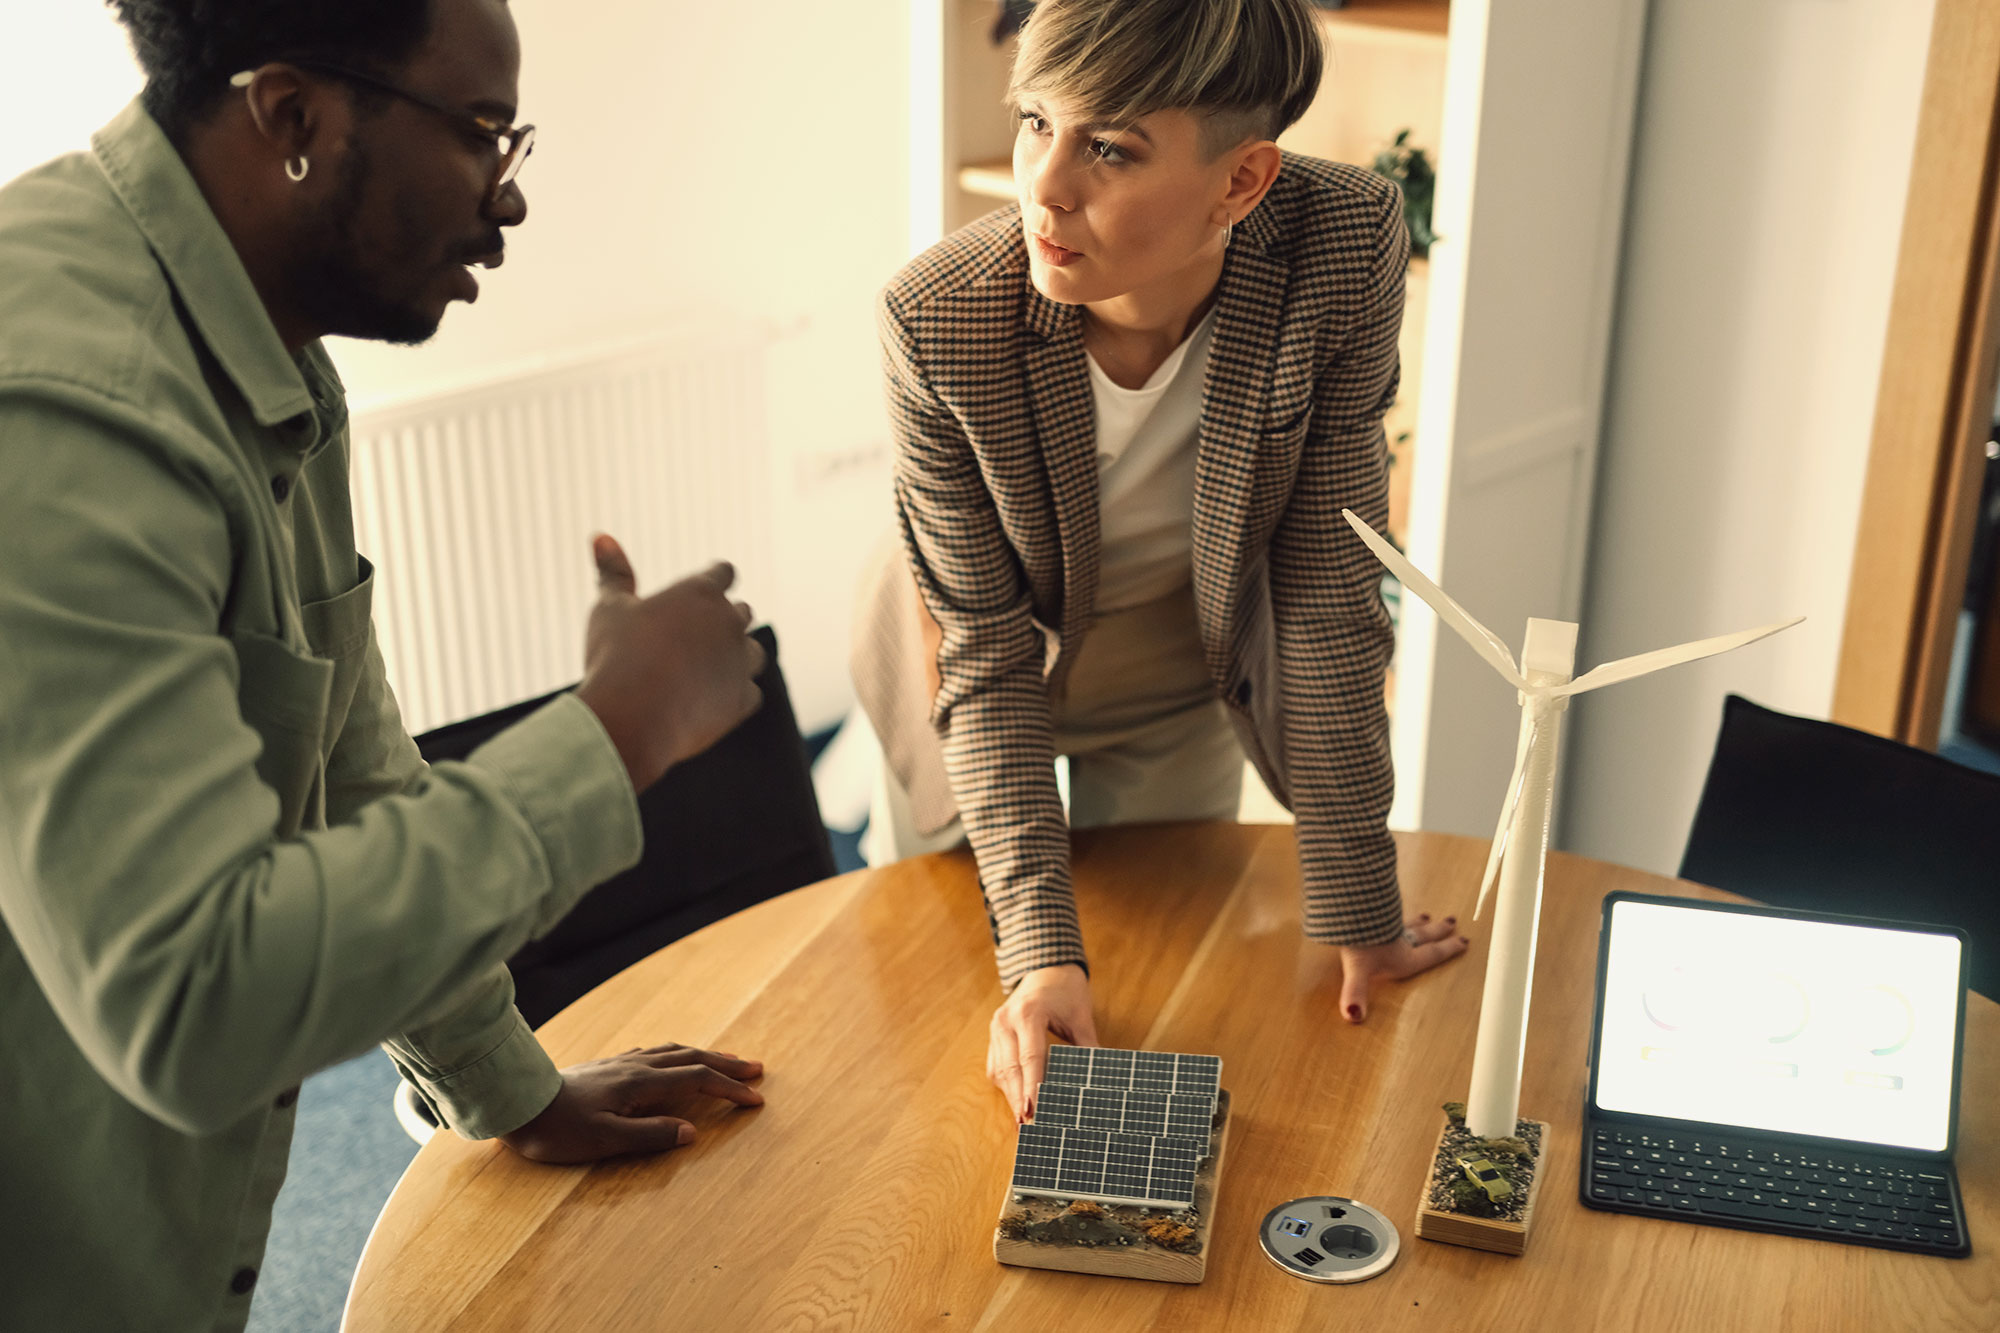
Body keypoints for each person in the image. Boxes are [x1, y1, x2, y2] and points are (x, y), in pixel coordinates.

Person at [0, 2, 767, 1327]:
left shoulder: (268, 352)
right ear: (291, 116)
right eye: (482, 136)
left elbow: (352, 771)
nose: (508, 204)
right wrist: (617, 731)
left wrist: (510, 1085)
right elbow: (191, 1002)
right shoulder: (72, 404)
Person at [852, 0, 1467, 1122]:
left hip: (1180, 679)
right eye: (1036, 122)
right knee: (962, 1011)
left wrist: (1357, 899)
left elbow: (1328, 591)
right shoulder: (937, 318)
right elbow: (985, 655)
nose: (1042, 185)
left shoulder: (1342, 243)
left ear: (1241, 184)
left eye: (1109, 147)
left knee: (1177, 979)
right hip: (961, 680)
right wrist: (1039, 953)